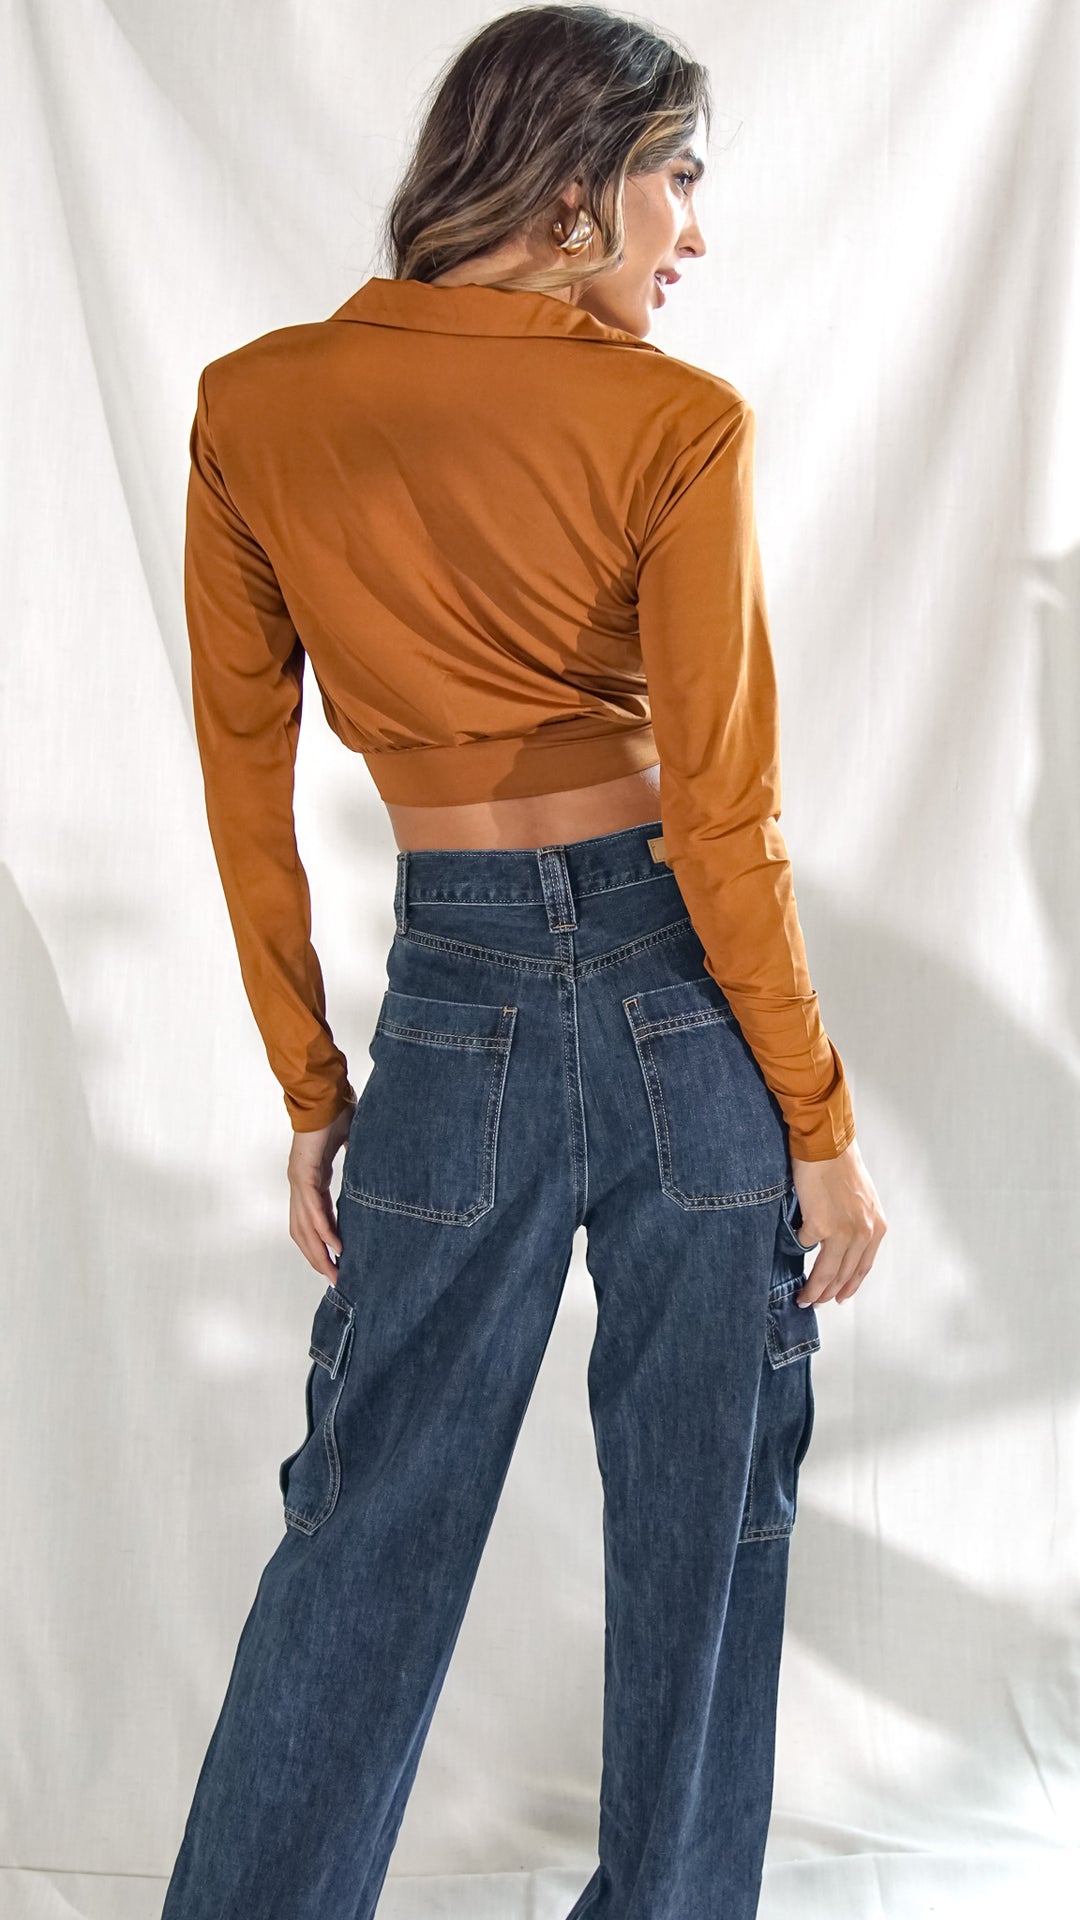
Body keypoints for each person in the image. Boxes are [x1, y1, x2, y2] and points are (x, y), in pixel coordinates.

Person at [161, 5, 887, 1916]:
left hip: (453, 1000)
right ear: (576, 187)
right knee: (707, 1523)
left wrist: (310, 1083)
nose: (693, 236)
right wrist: (818, 1123)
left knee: (366, 1514)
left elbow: (243, 784)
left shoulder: (253, 404)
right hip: (680, 993)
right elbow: (724, 820)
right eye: (675, 182)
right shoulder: (675, 424)